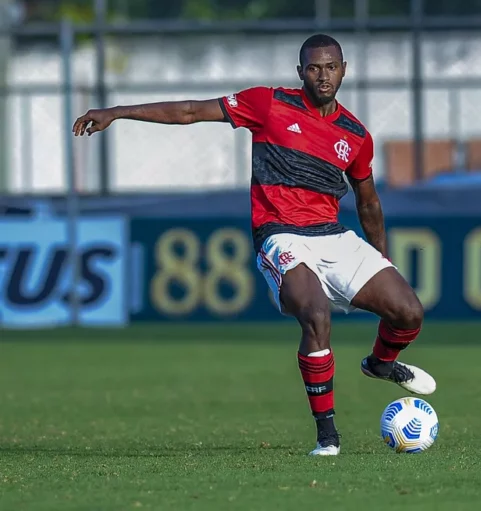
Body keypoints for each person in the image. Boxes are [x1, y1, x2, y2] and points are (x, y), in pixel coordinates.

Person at [72, 33, 436, 457]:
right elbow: (191, 112)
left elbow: (368, 201)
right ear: (300, 72)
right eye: (314, 68)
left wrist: (380, 258)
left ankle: (380, 364)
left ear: (344, 70)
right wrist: (117, 112)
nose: (323, 75)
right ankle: (328, 436)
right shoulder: (268, 104)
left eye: (331, 67)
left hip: (332, 235)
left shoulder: (355, 134)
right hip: (280, 234)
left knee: (408, 312)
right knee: (315, 314)